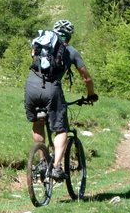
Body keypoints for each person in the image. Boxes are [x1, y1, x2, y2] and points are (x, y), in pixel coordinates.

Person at [24, 19, 97, 181]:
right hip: (52, 89)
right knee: (61, 129)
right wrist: (91, 94)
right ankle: (56, 167)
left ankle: (42, 161)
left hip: (31, 87)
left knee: (38, 123)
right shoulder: (71, 51)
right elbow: (86, 78)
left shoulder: (41, 45)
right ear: (69, 36)